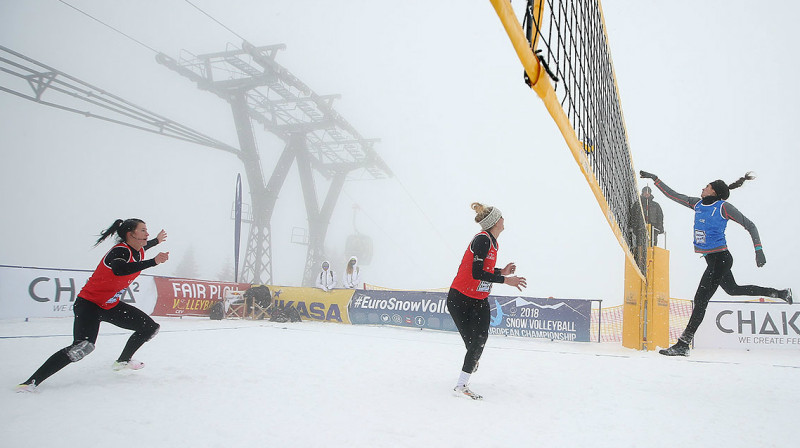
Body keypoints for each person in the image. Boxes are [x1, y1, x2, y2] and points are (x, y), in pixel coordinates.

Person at [640, 171, 793, 357]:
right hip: (712, 259)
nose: (703, 188)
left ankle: (683, 343)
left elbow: (750, 225)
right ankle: (780, 293)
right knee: (733, 289)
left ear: (713, 192)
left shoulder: (723, 207)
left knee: (700, 299)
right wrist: (656, 179)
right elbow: (673, 195)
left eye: (707, 186)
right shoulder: (697, 204)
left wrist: (758, 250)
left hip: (721, 259)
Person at [16, 219, 169, 392]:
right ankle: (30, 383)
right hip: (89, 305)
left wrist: (156, 241)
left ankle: (122, 362)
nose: (147, 234)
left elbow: (145, 246)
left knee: (149, 327)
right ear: (130, 234)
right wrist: (153, 262)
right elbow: (119, 269)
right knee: (83, 347)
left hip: (110, 306)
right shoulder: (119, 251)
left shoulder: (139, 250)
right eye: (143, 230)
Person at [448, 202, 527, 399]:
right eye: (501, 217)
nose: (503, 219)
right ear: (494, 222)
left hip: (479, 299)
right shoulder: (482, 240)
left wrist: (501, 271)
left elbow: (483, 270)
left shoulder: (493, 242)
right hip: (460, 299)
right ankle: (464, 379)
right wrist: (505, 280)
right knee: (473, 344)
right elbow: (476, 273)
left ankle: (462, 384)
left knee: (480, 340)